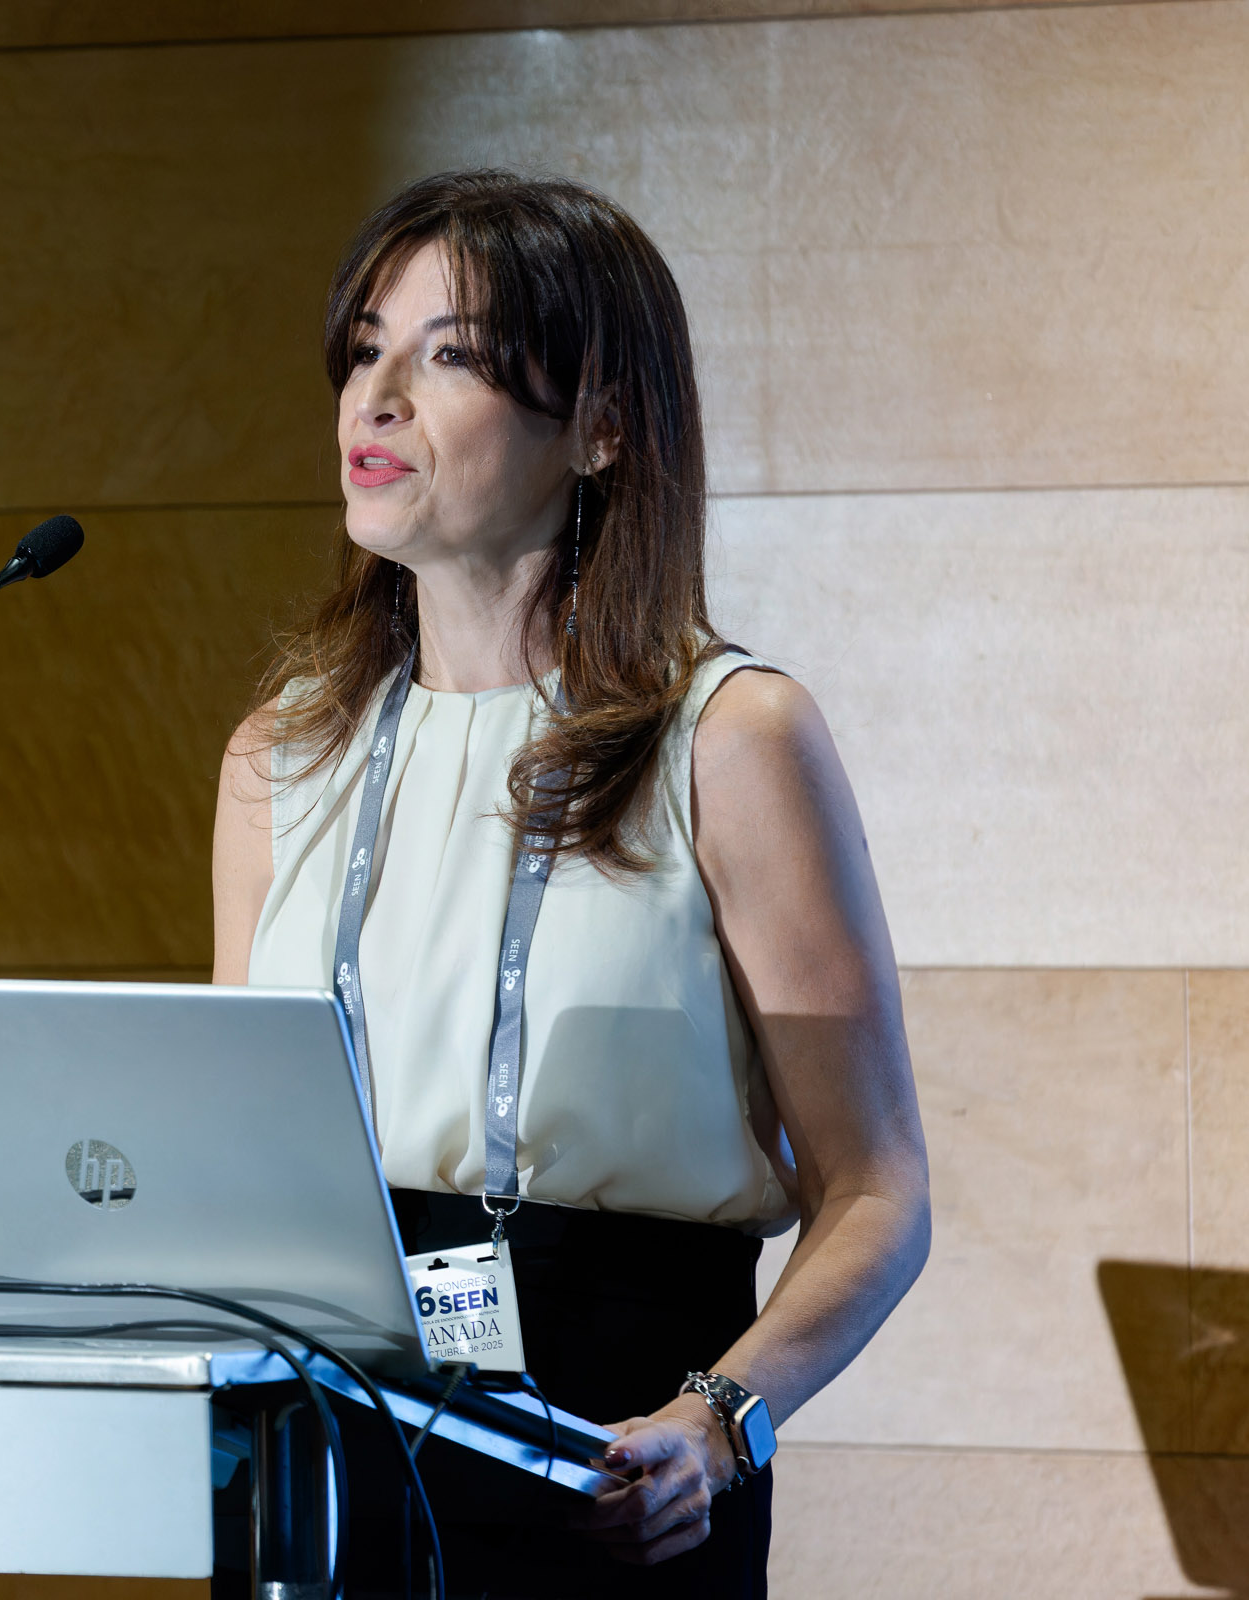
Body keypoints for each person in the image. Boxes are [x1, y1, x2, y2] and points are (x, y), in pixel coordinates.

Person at [210, 171, 931, 1597]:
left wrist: (718, 1423)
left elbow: (877, 1188)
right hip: (316, 1449)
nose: (376, 400)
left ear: (601, 425)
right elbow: (229, 1151)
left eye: (449, 356)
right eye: (364, 349)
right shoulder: (279, 756)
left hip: (619, 1460)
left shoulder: (731, 737)